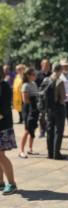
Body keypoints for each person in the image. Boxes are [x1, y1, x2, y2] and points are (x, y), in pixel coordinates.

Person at [43, 63, 66, 160]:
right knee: (58, 131)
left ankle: (50, 153)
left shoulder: (46, 79)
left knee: (49, 130)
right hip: (58, 108)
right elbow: (62, 98)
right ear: (60, 70)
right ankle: (56, 154)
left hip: (48, 108)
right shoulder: (60, 81)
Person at [0, 66, 17, 195]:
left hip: (3, 126)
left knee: (1, 155)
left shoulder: (4, 86)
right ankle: (1, 183)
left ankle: (11, 184)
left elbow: (4, 109)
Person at [19, 67, 39, 158]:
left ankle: (30, 149)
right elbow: (25, 100)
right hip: (28, 110)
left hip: (34, 109)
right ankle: (21, 151)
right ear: (28, 75)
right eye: (33, 74)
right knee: (27, 130)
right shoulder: (25, 85)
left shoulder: (34, 84)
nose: (35, 76)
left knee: (33, 129)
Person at [36, 59, 51, 138]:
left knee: (49, 115)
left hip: (50, 98)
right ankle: (42, 130)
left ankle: (48, 129)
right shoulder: (38, 75)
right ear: (42, 65)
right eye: (45, 64)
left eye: (48, 64)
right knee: (41, 115)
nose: (46, 66)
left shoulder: (51, 74)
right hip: (41, 99)